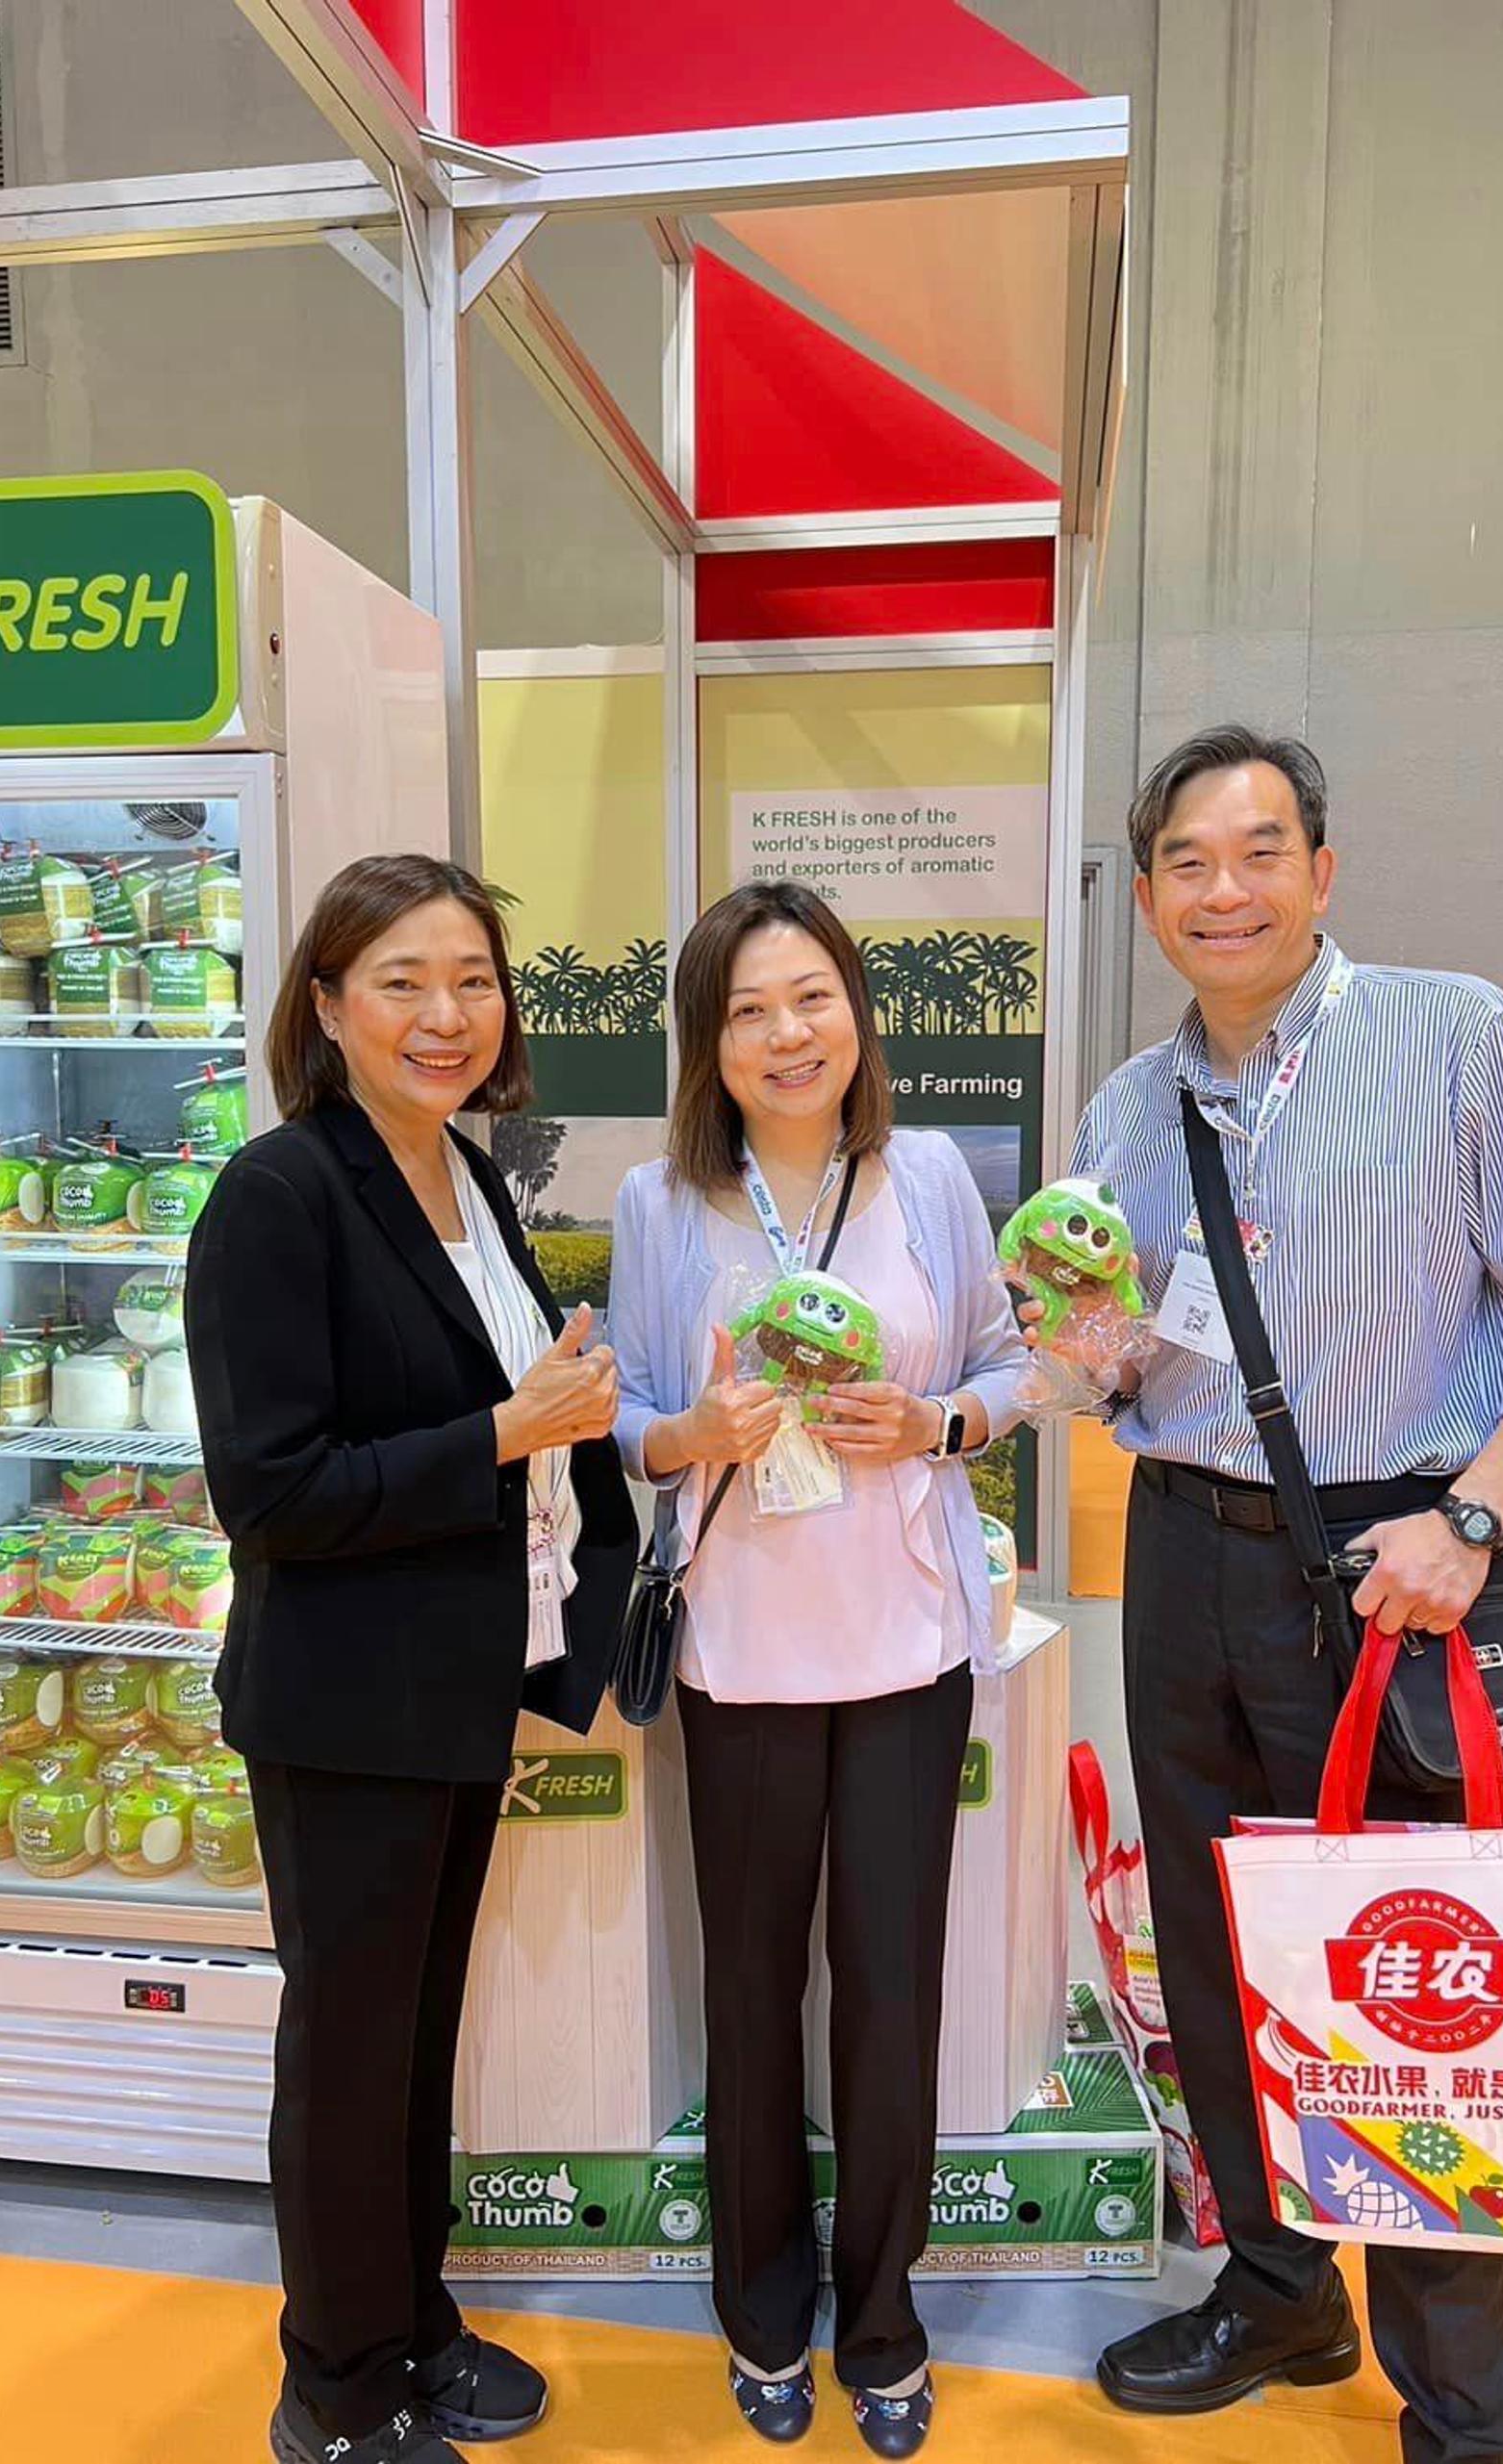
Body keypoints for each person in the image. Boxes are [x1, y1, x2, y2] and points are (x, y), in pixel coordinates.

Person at [1056, 727, 1503, 2464]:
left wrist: (1474, 1514)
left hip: (1405, 1559)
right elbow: (1115, 1363)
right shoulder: (1129, 1104)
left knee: (1427, 1963)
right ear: (1150, 890)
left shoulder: (1455, 1037)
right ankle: (1278, 2284)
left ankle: (1463, 2412)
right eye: (1186, 859)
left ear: (1323, 870)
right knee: (1223, 1939)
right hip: (1182, 1553)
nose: (1221, 889)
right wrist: (1061, 1329)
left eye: (1259, 852)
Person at [184, 853, 637, 2464]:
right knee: (350, 2048)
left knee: (418, 2034)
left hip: (452, 1688)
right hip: (343, 1706)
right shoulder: (278, 1193)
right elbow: (277, 1492)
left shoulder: (465, 1174)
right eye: (401, 980)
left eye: (472, 979)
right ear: (325, 1004)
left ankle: (414, 2318)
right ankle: (336, 2382)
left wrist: (553, 1398)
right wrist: (507, 1425)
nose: (446, 1014)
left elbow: (480, 1413)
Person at [608, 880, 1027, 2458]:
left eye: (815, 1000)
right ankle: (760, 2310)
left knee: (892, 1985)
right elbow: (634, 1417)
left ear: (858, 1013)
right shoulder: (662, 1203)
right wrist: (686, 1434)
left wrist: (941, 1423)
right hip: (742, 1645)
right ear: (708, 1044)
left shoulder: (924, 1172)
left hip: (911, 1639)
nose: (790, 1036)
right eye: (750, 1011)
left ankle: (885, 2313)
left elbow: (1002, 1362)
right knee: (752, 1982)